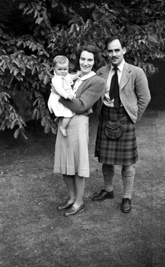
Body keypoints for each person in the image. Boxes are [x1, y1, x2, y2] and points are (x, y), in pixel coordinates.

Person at [92, 36, 151, 213]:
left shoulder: (136, 72)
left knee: (127, 163)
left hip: (125, 119)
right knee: (106, 160)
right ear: (106, 53)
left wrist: (134, 117)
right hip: (106, 116)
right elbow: (94, 95)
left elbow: (145, 98)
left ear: (124, 50)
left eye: (117, 50)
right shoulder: (101, 72)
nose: (113, 54)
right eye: (110, 51)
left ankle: (127, 196)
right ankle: (108, 190)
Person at [54, 45, 106, 216]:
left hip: (78, 124)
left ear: (94, 62)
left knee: (77, 165)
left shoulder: (97, 81)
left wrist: (57, 95)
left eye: (89, 59)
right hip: (64, 123)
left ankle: (79, 201)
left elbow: (80, 106)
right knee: (65, 163)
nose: (85, 63)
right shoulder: (71, 76)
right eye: (83, 59)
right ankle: (70, 198)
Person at [48, 55, 79, 137]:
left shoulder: (65, 75)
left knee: (65, 112)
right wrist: (66, 95)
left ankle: (58, 118)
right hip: (58, 98)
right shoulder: (56, 79)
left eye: (65, 69)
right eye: (60, 69)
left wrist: (76, 76)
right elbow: (59, 89)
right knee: (68, 114)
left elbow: (70, 77)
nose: (63, 71)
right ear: (54, 69)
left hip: (64, 97)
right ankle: (63, 127)